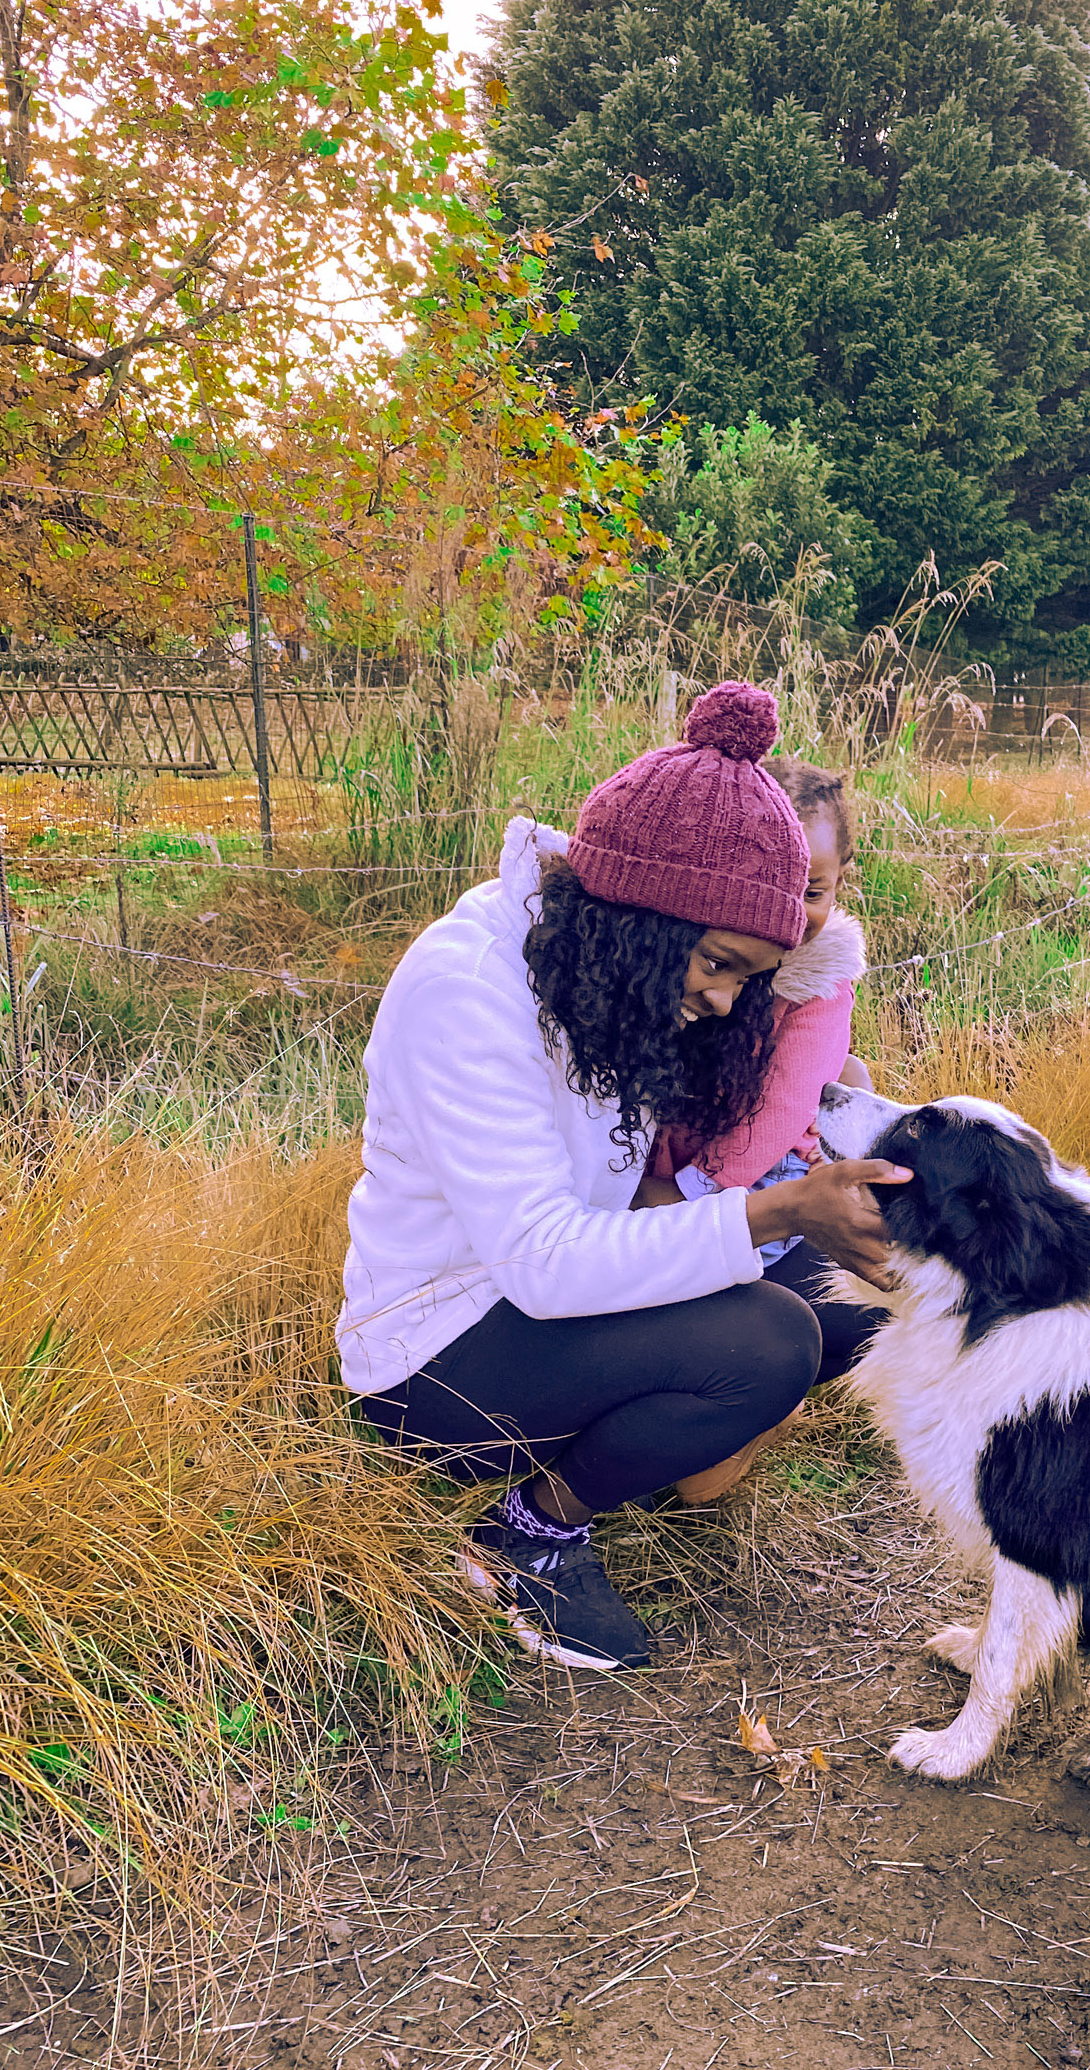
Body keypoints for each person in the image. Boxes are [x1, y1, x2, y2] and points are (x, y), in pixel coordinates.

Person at [337, 683, 905, 1673]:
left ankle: (649, 1448)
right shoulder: (466, 991)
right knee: (769, 1340)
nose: (729, 1002)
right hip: (438, 1359)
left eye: (751, 977)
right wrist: (770, 1210)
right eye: (723, 965)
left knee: (842, 1304)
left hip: (553, 1318)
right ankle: (530, 1535)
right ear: (648, 923)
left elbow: (629, 1193)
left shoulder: (595, 968)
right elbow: (546, 1265)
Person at [641, 758, 866, 1502]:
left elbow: (780, 1108)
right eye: (778, 885)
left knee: (701, 1481)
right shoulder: (693, 957)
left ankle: (767, 1401)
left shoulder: (820, 980)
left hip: (752, 1188)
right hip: (658, 1182)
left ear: (842, 884)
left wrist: (696, 1195)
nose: (793, 911)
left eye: (814, 891)